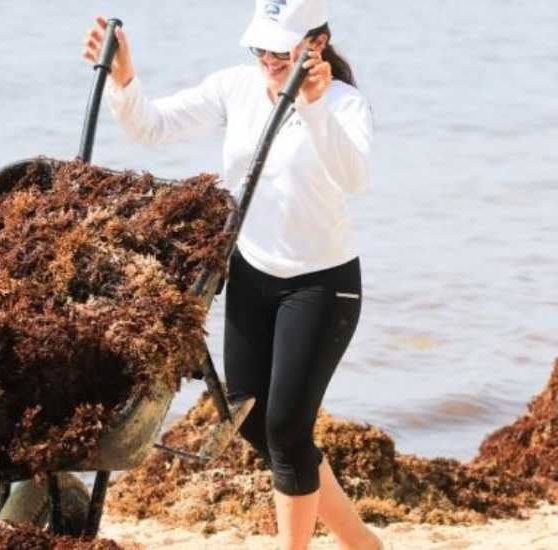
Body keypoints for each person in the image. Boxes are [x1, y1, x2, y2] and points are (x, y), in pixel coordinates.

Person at [83, 0, 380, 548]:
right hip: (251, 274)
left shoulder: (344, 103)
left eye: (280, 48)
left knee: (287, 429)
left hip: (321, 284)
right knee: (251, 420)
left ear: (315, 44)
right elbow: (153, 126)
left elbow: (354, 177)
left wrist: (313, 105)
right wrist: (126, 79)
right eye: (261, 47)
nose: (268, 58)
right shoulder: (235, 87)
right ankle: (361, 543)